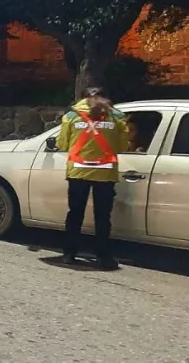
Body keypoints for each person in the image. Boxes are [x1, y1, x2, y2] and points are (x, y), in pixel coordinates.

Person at [56, 87, 130, 270]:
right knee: (103, 216)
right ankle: (103, 257)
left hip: (78, 171)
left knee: (75, 213)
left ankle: (69, 254)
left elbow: (62, 144)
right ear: (106, 98)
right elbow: (123, 146)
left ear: (82, 99)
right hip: (105, 172)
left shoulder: (71, 116)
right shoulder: (117, 117)